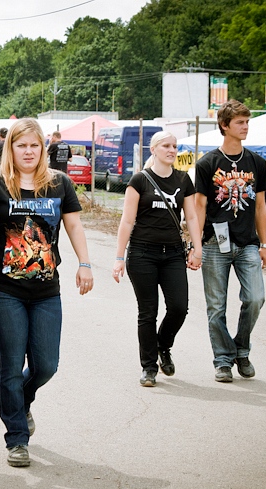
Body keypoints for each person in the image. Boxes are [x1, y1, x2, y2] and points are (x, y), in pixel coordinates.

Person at [0, 117, 93, 467]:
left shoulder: (59, 183)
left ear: (43, 148)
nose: (28, 151)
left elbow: (73, 224)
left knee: (46, 365)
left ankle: (22, 400)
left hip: (46, 291)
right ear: (9, 148)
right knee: (11, 365)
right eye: (21, 145)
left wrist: (85, 263)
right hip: (3, 291)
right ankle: (16, 437)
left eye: (34, 145)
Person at [112, 131, 203, 387]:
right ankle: (149, 367)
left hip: (173, 253)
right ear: (153, 149)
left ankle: (164, 345)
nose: (171, 150)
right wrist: (119, 257)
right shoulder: (139, 180)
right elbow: (127, 221)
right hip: (142, 253)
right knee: (147, 312)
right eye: (166, 146)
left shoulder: (183, 180)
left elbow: (192, 217)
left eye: (174, 146)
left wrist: (198, 248)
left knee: (178, 307)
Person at [194, 99, 266, 383]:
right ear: (224, 126)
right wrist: (196, 245)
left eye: (247, 122)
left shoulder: (257, 163)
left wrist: (264, 244)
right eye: (240, 122)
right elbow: (200, 206)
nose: (245, 127)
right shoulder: (207, 163)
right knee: (216, 308)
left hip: (248, 243)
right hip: (215, 243)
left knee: (255, 298)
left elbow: (261, 206)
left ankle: (241, 348)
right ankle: (223, 360)